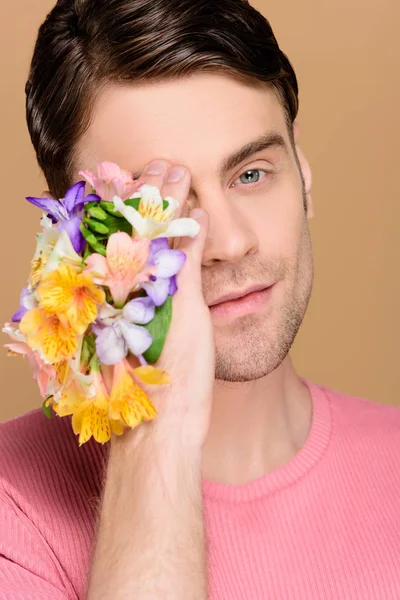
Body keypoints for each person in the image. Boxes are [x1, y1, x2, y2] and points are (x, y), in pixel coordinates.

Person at [1, 0, 399, 598]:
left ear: (303, 173)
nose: (231, 242)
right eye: (163, 204)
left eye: (252, 174)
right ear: (74, 241)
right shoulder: (14, 511)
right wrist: (157, 428)